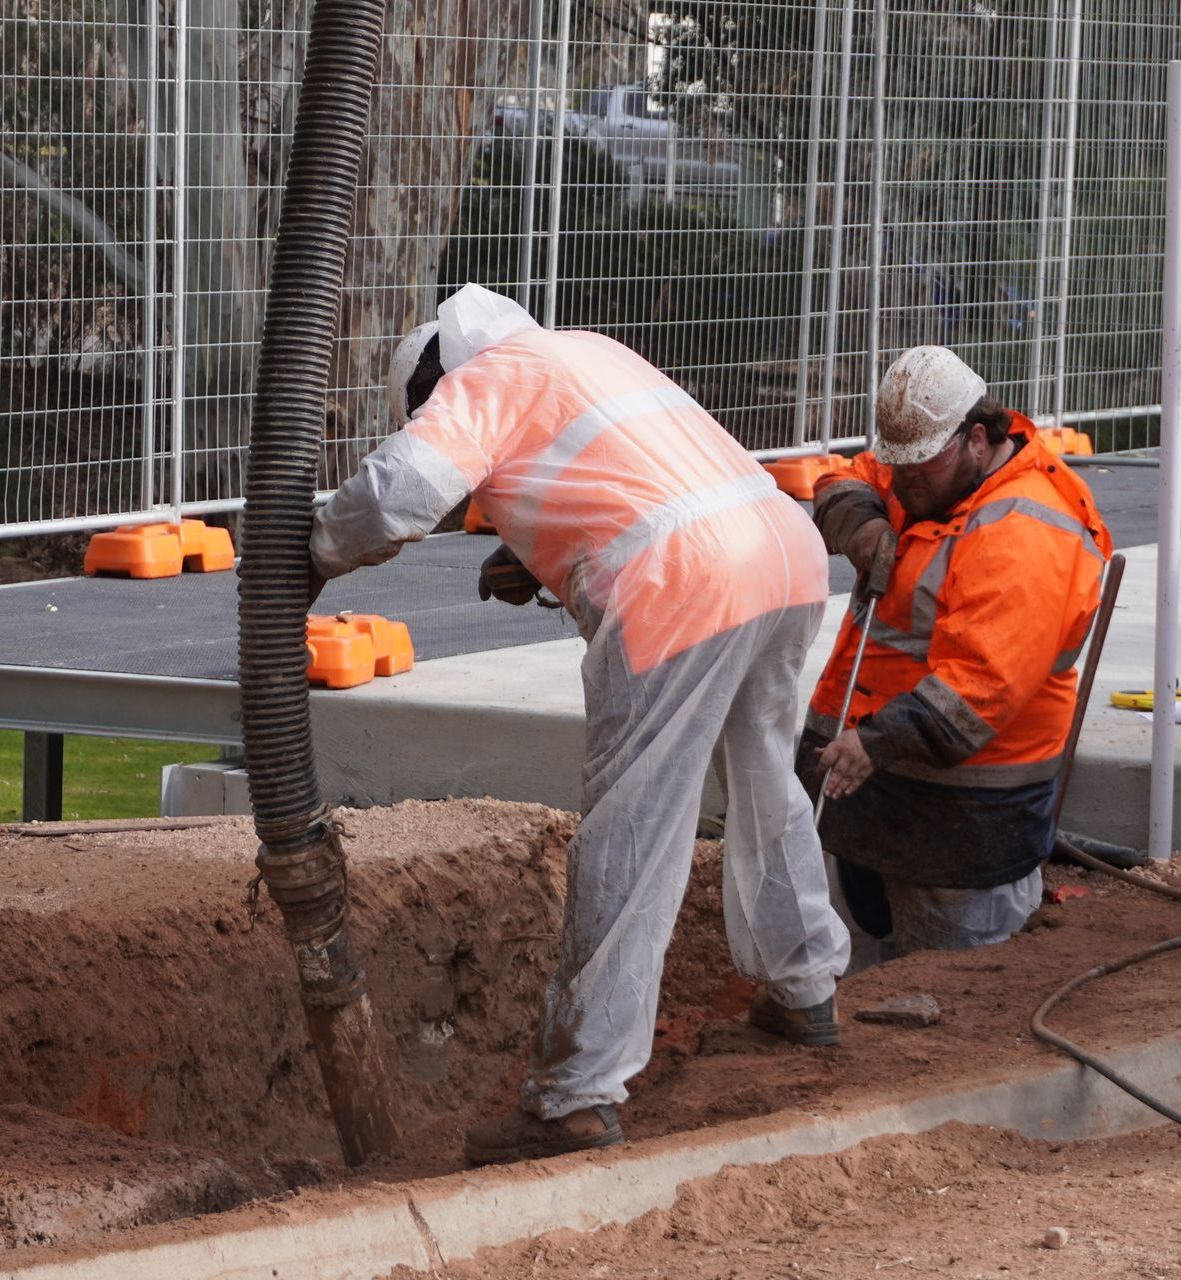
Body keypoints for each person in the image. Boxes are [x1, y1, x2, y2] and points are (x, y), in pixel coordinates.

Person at [309, 284, 850, 1164]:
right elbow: (631, 476)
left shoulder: (488, 378)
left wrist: (316, 548)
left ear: (442, 376)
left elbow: (401, 492)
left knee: (635, 828)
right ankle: (804, 987)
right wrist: (531, 548)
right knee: (764, 781)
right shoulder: (587, 350)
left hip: (685, 582)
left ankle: (577, 1096)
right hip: (782, 554)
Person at [798, 345, 1112, 969]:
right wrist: (861, 526)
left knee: (955, 996)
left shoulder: (1025, 533)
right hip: (875, 792)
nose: (903, 485)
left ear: (976, 437)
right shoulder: (928, 470)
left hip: (964, 820)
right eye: (898, 468)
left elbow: (976, 691)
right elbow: (846, 479)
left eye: (918, 470)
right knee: (860, 985)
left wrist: (875, 743)